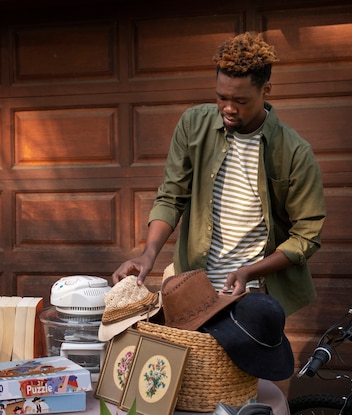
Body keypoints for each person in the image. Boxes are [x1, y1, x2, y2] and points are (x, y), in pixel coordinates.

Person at [112, 32, 326, 316]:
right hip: (192, 286)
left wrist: (249, 272)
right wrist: (149, 254)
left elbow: (306, 237)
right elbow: (171, 196)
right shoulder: (193, 125)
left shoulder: (294, 151)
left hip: (253, 293)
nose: (227, 108)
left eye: (240, 100)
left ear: (266, 91)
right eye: (221, 97)